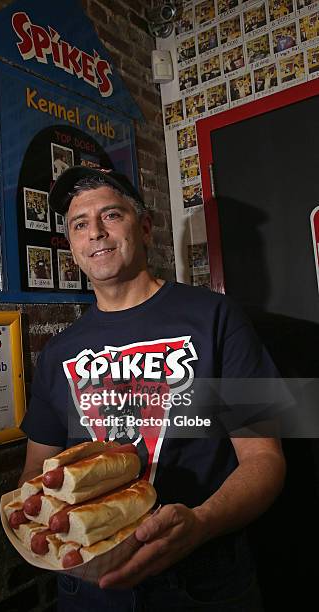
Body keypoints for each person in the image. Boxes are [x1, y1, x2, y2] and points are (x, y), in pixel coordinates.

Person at [19, 166, 286, 611]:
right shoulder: (57, 353)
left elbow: (265, 460)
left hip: (202, 581)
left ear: (143, 227)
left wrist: (201, 523)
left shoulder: (215, 318)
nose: (96, 234)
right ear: (71, 245)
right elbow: (34, 474)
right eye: (80, 225)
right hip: (89, 588)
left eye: (111, 216)